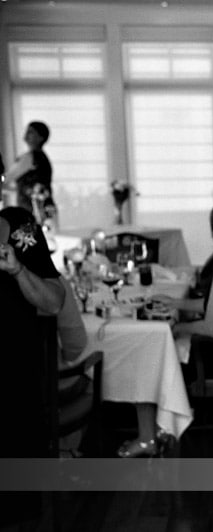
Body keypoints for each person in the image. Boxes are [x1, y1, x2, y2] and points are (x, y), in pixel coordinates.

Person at [126, 202, 213, 458]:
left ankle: (149, 435)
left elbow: (211, 327)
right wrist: (176, 303)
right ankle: (160, 428)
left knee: (148, 350)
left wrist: (174, 327)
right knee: (162, 343)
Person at [0, 205, 65, 528]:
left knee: (18, 511)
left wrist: (17, 271)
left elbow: (54, 302)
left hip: (16, 386)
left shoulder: (21, 228)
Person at [4, 121, 57, 222]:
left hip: (33, 211)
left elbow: (7, 178)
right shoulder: (43, 158)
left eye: (31, 132)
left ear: (40, 137)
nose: (26, 134)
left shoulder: (29, 158)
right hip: (45, 209)